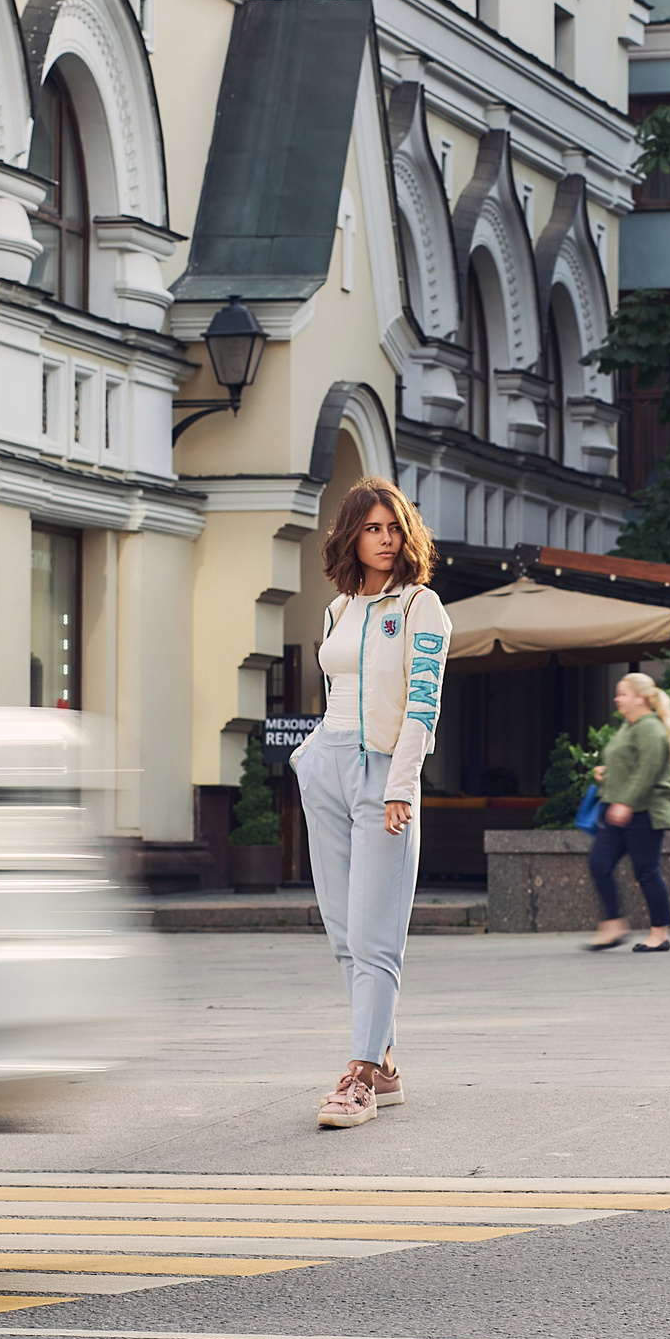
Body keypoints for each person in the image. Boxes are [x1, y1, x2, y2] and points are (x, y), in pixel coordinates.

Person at [288, 478, 449, 1129]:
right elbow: (338, 688)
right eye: (372, 528)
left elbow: (423, 704)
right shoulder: (338, 609)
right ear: (351, 537)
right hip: (326, 764)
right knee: (343, 933)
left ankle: (358, 1079)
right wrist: (308, 756)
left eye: (394, 528)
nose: (385, 539)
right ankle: (383, 1065)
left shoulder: (419, 607)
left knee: (374, 934)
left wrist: (400, 785)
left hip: (381, 773)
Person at [587, 672, 670, 955]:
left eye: (623, 694)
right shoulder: (629, 727)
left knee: (646, 871)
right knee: (599, 863)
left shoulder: (650, 728)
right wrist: (608, 773)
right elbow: (632, 765)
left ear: (640, 698)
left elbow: (647, 771)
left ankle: (659, 934)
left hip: (644, 812)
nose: (617, 699)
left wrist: (626, 802)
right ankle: (614, 924)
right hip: (619, 810)